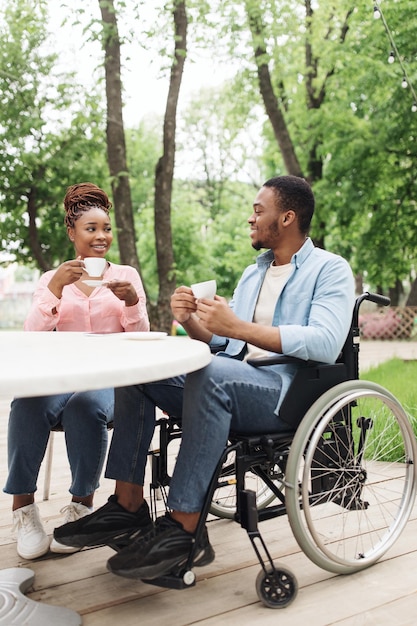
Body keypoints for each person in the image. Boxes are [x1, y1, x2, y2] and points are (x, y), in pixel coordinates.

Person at [54, 175, 355, 580]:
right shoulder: (254, 274)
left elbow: (324, 342)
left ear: (287, 217)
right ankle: (127, 505)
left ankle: (184, 529)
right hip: (234, 379)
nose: (250, 218)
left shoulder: (330, 269)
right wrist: (190, 321)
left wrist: (237, 328)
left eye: (258, 210)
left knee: (209, 374)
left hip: (286, 393)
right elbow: (225, 346)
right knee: (140, 363)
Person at [4, 182, 149, 560]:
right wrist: (53, 289)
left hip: (110, 383)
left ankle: (81, 506)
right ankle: (23, 510)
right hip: (60, 377)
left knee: (86, 407)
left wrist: (132, 303)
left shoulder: (126, 276)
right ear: (72, 232)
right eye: (91, 229)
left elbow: (140, 339)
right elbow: (31, 337)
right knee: (28, 402)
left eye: (106, 228)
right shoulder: (52, 279)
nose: (101, 237)